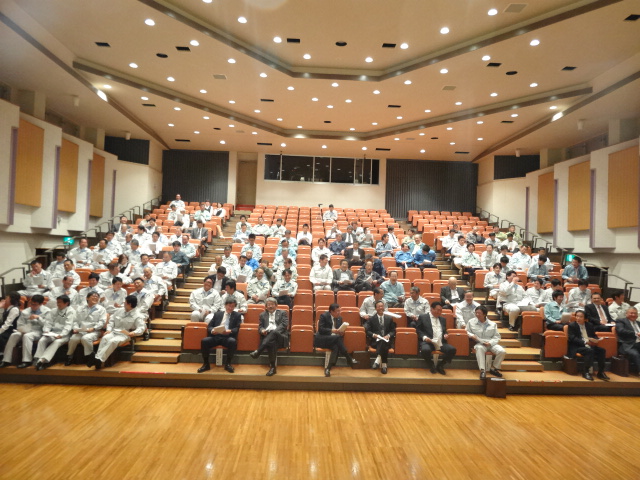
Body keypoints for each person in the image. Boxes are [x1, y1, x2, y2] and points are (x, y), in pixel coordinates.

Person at [197, 297, 242, 373]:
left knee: (232, 341)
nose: (230, 308)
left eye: (233, 306)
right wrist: (213, 331)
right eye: (229, 306)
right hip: (216, 336)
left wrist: (229, 331)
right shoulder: (217, 314)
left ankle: (228, 364)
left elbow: (237, 328)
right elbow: (209, 327)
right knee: (204, 341)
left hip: (227, 337)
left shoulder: (237, 315)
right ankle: (206, 364)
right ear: (225, 305)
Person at [314, 303, 358, 377]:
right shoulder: (324, 316)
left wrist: (341, 332)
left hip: (333, 340)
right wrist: (333, 331)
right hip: (322, 339)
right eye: (337, 311)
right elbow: (321, 329)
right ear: (331, 311)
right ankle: (348, 358)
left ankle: (328, 369)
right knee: (337, 338)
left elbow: (339, 331)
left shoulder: (339, 318)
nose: (339, 313)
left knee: (336, 347)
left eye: (339, 311)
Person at [34, 295, 76, 370]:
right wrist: (46, 330)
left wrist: (61, 335)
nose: (58, 304)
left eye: (60, 302)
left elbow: (68, 325)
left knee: (56, 342)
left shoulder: (71, 311)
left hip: (64, 335)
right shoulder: (53, 311)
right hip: (52, 333)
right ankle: (38, 359)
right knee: (42, 340)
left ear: (66, 303)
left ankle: (42, 360)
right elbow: (48, 322)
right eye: (57, 302)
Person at [249, 298, 289, 376]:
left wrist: (275, 331)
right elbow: (260, 327)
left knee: (273, 332)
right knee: (272, 343)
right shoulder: (262, 315)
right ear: (266, 306)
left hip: (280, 336)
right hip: (269, 338)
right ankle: (273, 368)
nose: (270, 306)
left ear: (276, 305)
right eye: (268, 305)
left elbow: (284, 324)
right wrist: (262, 330)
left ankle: (258, 351)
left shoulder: (282, 313)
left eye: (272, 304)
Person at [65, 292, 106, 366]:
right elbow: (75, 321)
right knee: (73, 339)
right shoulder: (80, 308)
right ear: (87, 298)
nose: (95, 298)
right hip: (81, 330)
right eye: (93, 296)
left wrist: (93, 328)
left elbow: (102, 322)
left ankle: (90, 357)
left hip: (94, 331)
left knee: (86, 338)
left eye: (97, 297)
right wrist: (75, 328)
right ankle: (69, 356)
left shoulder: (101, 309)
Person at [416, 302, 456, 374]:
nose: (439, 312)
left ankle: (441, 365)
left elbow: (444, 330)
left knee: (452, 350)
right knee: (425, 350)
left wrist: (445, 335)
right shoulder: (423, 317)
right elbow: (418, 330)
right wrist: (425, 338)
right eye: (438, 310)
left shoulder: (443, 319)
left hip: (440, 342)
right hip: (428, 342)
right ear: (431, 309)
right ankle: (431, 364)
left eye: (441, 310)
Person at [567, 309, 608, 381]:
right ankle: (585, 372)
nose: (578, 318)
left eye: (581, 317)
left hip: (590, 345)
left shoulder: (589, 325)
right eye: (577, 316)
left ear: (585, 318)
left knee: (602, 350)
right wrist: (585, 342)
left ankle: (601, 372)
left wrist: (596, 339)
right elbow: (572, 338)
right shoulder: (572, 325)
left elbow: (594, 335)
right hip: (577, 346)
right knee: (589, 351)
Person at [466, 305, 505, 379]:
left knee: (502, 351)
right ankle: (482, 370)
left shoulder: (493, 324)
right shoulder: (471, 322)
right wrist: (472, 335)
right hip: (479, 343)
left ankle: (494, 368)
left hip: (490, 343)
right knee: (479, 349)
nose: (477, 314)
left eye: (479, 313)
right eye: (476, 313)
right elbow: (466, 331)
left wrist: (490, 343)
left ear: (484, 314)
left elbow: (497, 337)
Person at [12, 296, 50, 368]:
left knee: (27, 336)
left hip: (39, 331)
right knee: (14, 335)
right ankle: (6, 360)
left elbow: (48, 325)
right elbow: (19, 323)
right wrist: (23, 329)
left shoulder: (47, 311)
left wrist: (38, 318)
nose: (32, 306)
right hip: (26, 330)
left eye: (35, 304)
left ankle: (26, 361)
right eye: (31, 304)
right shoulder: (26, 311)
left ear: (41, 304)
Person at [364, 301, 396, 374]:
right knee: (382, 341)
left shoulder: (389, 318)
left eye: (382, 306)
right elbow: (368, 331)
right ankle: (384, 365)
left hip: (387, 340)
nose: (381, 308)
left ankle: (377, 360)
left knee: (383, 340)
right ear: (376, 308)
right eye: (379, 306)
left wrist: (388, 335)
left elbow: (393, 331)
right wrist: (373, 335)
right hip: (376, 341)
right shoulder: (371, 319)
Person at [615, 307, 640, 374]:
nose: (633, 315)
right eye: (631, 313)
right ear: (626, 314)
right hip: (628, 345)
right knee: (635, 354)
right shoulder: (621, 321)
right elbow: (621, 331)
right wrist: (636, 333)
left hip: (638, 344)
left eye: (635, 313)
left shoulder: (638, 323)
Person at [0, 292, 22, 363]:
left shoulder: (14, 309)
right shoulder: (8, 308)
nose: (5, 299)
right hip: (5, 329)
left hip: (11, 330)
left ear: (11, 299)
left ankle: (1, 354)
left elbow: (7, 324)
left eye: (7, 298)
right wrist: (1, 307)